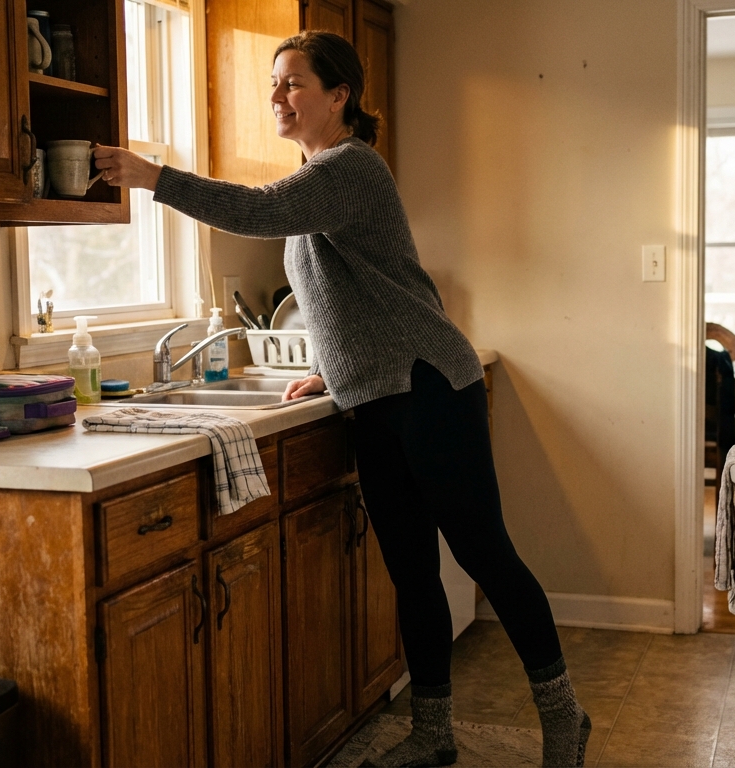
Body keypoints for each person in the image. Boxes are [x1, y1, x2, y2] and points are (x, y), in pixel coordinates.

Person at [92, 30, 589, 768]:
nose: (277, 97)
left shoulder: (350, 167)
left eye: (293, 83)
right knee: (412, 571)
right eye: (273, 84)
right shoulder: (321, 177)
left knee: (487, 556)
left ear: (338, 96)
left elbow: (255, 211)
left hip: (428, 384)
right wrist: (331, 365)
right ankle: (432, 734)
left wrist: (152, 176)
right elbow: (344, 292)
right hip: (374, 393)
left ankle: (564, 718)